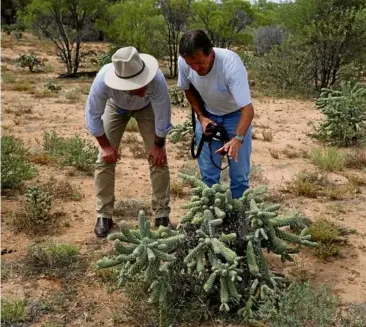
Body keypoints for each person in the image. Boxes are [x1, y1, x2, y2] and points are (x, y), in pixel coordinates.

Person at [85, 46, 172, 238]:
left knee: (159, 159)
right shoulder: (103, 81)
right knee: (103, 159)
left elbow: (163, 117)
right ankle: (104, 215)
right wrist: (105, 146)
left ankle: (162, 215)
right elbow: (93, 116)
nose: (142, 88)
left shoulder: (157, 80)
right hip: (116, 107)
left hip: (147, 108)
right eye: (135, 86)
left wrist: (158, 146)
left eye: (142, 83)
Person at [177, 30, 254, 199]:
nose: (196, 69)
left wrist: (238, 139)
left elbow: (248, 110)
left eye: (199, 62)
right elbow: (187, 89)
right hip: (208, 115)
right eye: (191, 65)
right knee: (208, 177)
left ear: (210, 53)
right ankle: (210, 218)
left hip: (236, 117)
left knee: (239, 176)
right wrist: (201, 117)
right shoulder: (184, 62)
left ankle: (238, 219)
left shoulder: (230, 64)